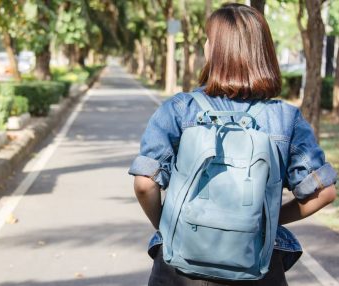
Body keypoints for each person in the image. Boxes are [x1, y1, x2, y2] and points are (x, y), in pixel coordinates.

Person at [128, 3, 337, 286]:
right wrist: (266, 221)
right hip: (256, 265)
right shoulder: (286, 118)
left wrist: (171, 224)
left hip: (180, 267)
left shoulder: (179, 109)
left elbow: (145, 183)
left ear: (213, 50)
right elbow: (323, 193)